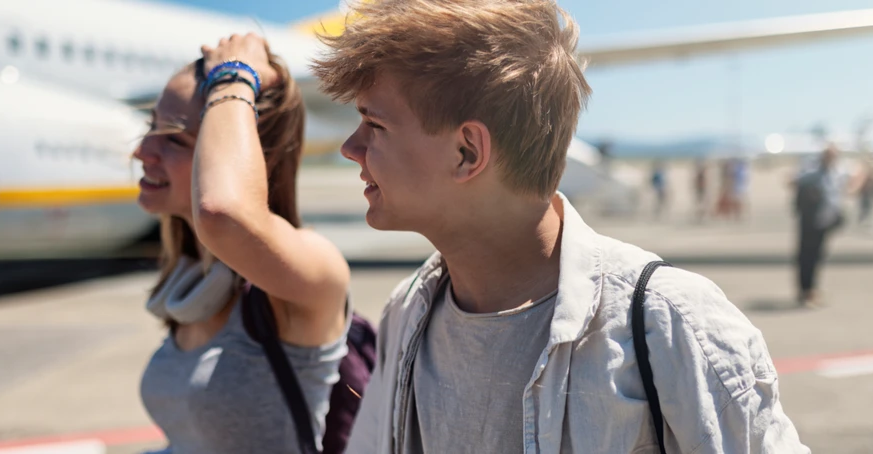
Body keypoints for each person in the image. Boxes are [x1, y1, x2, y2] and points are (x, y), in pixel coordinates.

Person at [312, 0, 808, 452]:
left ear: (468, 152)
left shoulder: (672, 325)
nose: (350, 148)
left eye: (374, 125)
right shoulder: (407, 312)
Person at [133, 36, 352, 453]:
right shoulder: (192, 277)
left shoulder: (310, 272)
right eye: (150, 127)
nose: (143, 151)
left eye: (174, 139)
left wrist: (232, 78)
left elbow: (222, 212)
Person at [793, 144, 847, 307]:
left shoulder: (835, 174)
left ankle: (811, 289)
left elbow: (836, 196)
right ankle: (806, 290)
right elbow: (795, 181)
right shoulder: (813, 174)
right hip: (810, 221)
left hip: (825, 221)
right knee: (807, 256)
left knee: (817, 256)